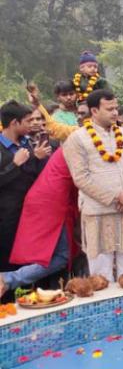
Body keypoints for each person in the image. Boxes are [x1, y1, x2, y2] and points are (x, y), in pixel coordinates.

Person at [62, 89, 123, 286]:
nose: (115, 113)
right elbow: (81, 178)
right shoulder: (77, 139)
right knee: (101, 275)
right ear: (94, 111)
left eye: (116, 108)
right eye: (109, 109)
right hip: (98, 212)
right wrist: (117, 197)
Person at [1, 149, 79, 297]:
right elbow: (84, 181)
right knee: (62, 256)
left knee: (54, 256)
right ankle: (7, 279)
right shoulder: (78, 147)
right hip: (51, 204)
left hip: (49, 202)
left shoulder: (69, 147)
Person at [0, 100, 52, 272]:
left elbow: (32, 175)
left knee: (30, 262)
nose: (33, 124)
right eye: (28, 121)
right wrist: (14, 165)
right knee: (8, 262)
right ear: (14, 123)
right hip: (7, 218)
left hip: (30, 214)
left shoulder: (27, 143)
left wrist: (36, 158)